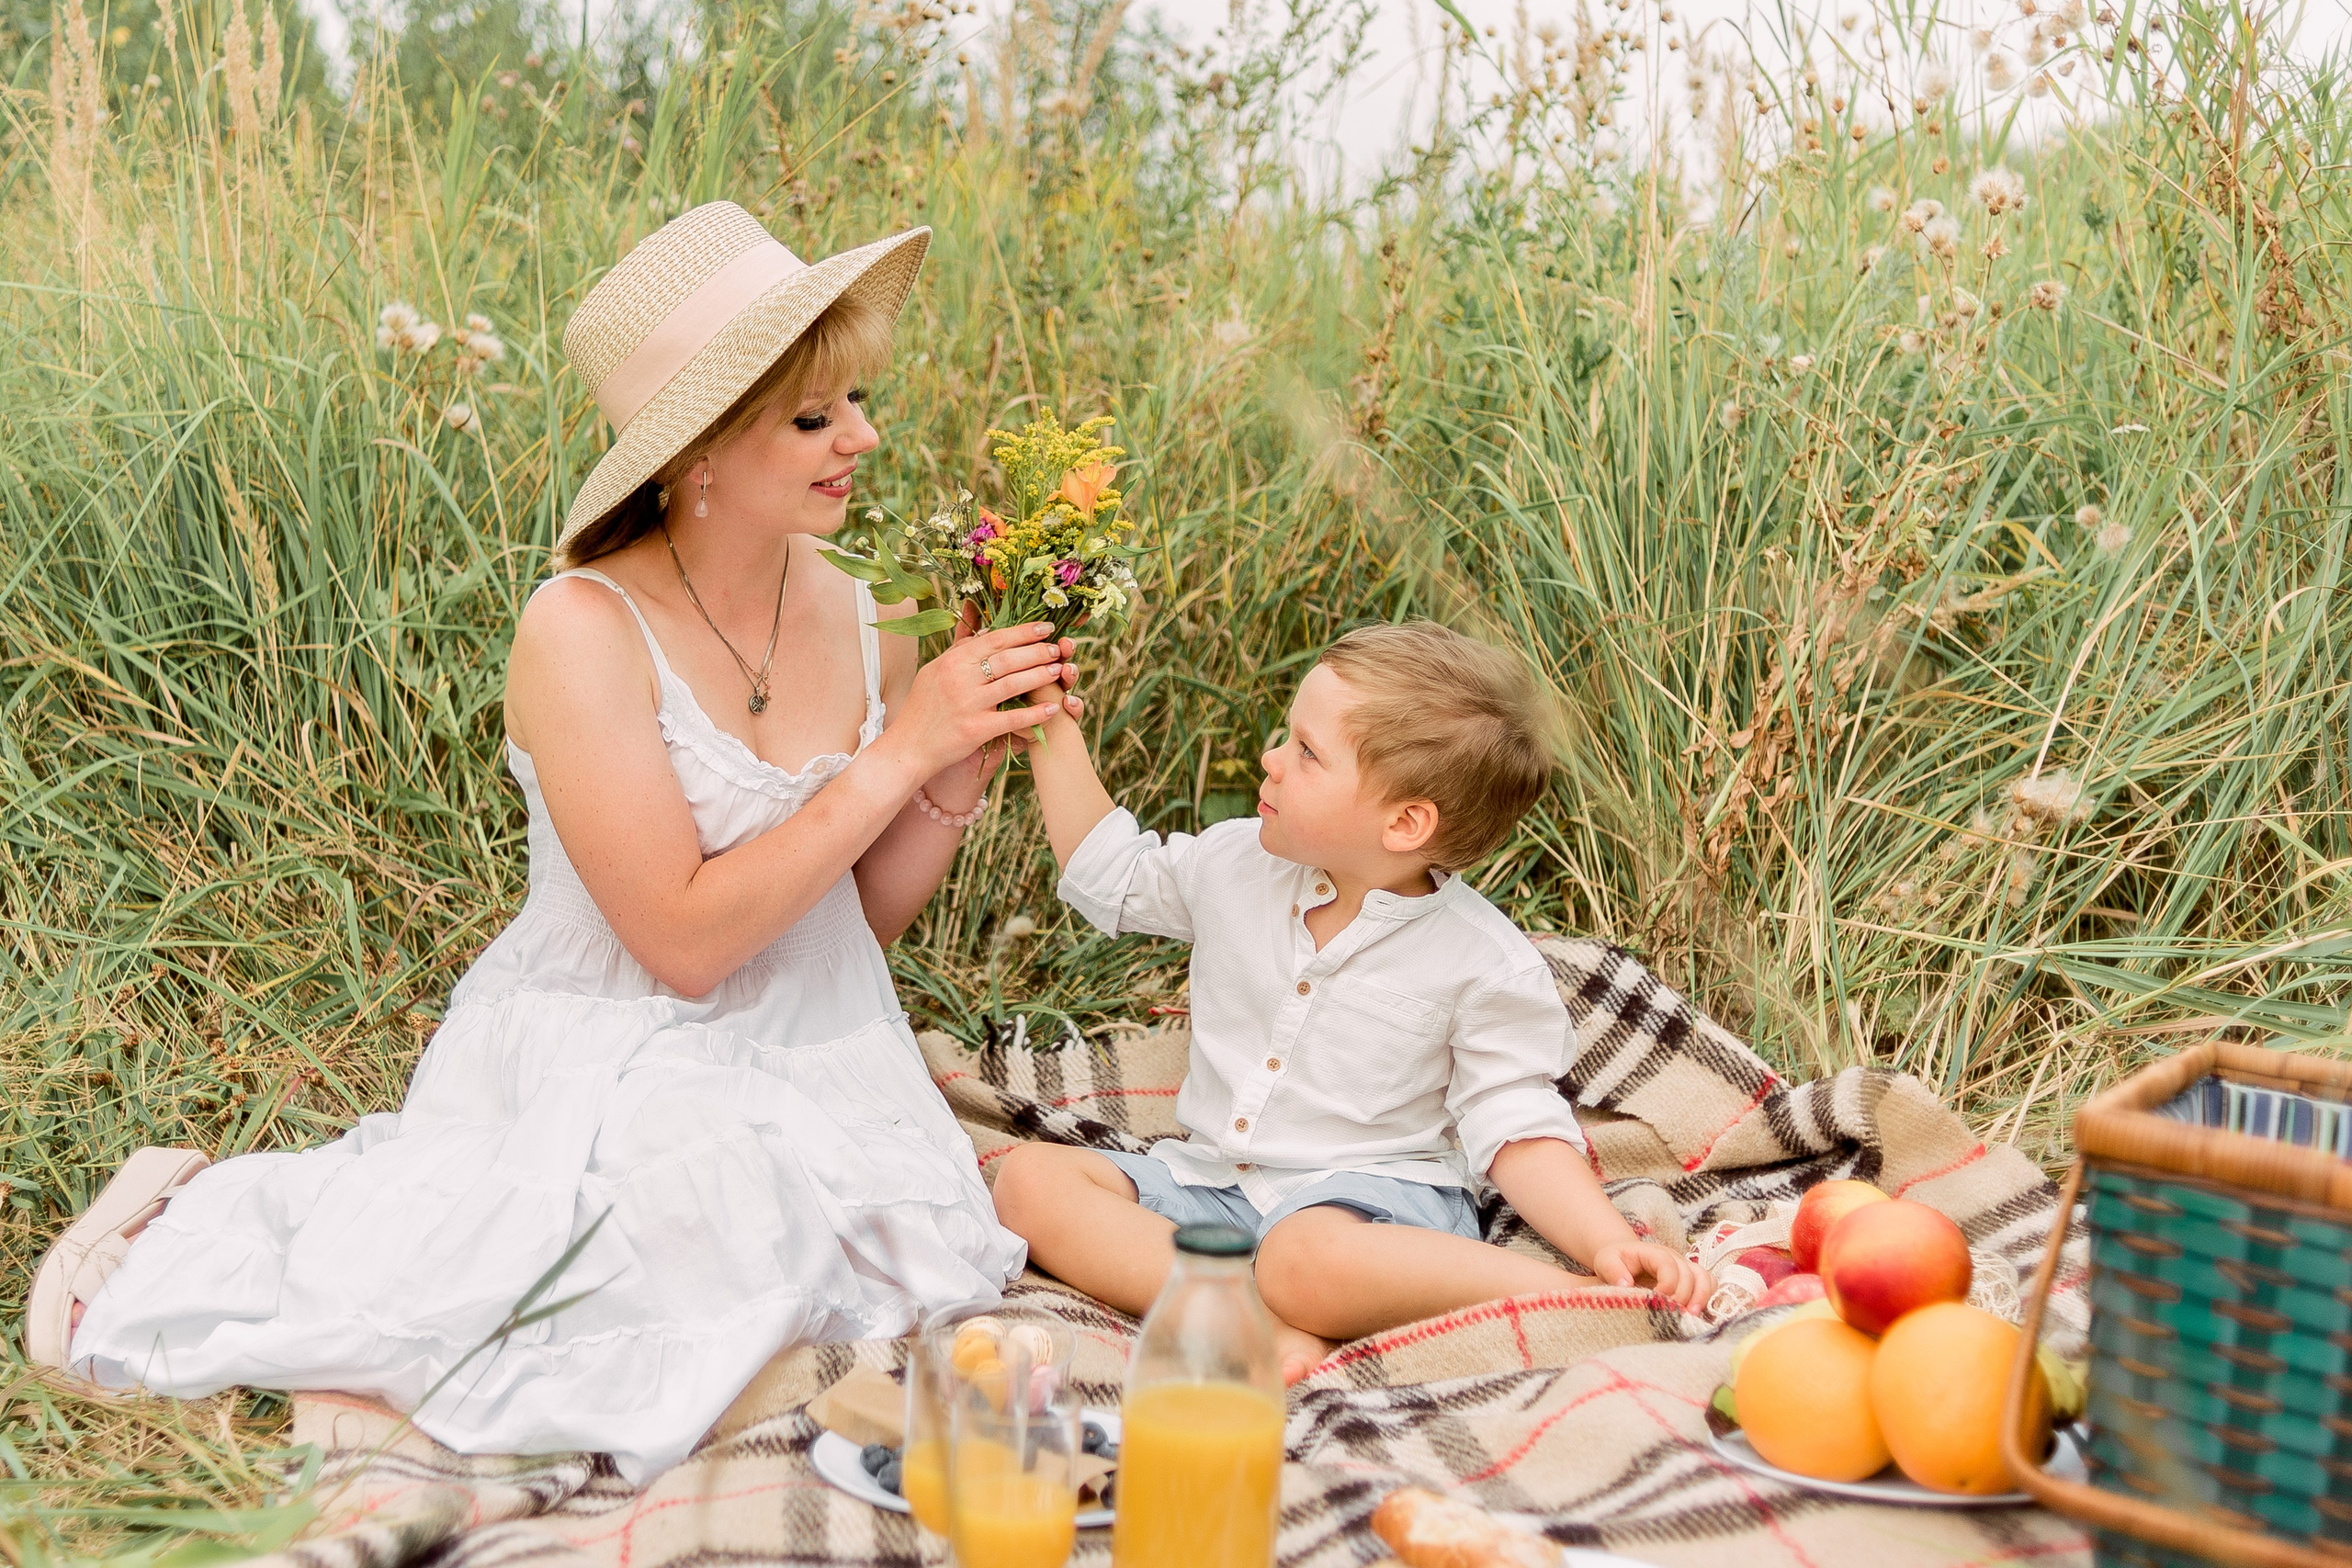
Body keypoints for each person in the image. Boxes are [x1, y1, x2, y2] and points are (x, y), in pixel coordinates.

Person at [27, 204, 1080, 1481]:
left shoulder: (879, 612)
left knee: (856, 1252)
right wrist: (900, 753)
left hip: (816, 1036)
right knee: (653, 1253)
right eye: (816, 416)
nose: (864, 436)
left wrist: (955, 773)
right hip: (617, 1032)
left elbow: (849, 927)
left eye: (855, 398)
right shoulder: (579, 629)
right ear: (699, 448)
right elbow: (684, 942)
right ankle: (182, 1223)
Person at [992, 621, 1713, 1382]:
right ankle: (1257, 1322)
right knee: (1028, 1181)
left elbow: (1516, 1126)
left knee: (1303, 1260)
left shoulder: (1482, 961)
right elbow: (1113, 874)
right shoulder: (1236, 862)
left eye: (1306, 752)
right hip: (1215, 1182)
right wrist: (1043, 713)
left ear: (1404, 823)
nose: (1269, 760)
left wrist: (1606, 1239)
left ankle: (1569, 1295)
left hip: (1370, 1209)